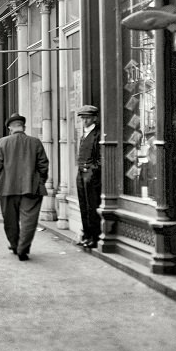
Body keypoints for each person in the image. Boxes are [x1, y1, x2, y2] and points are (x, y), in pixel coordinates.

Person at [0, 113, 49, 261]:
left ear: (10, 128)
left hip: (7, 187)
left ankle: (14, 244)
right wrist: (39, 181)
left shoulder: (3, 142)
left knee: (10, 219)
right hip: (31, 187)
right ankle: (23, 249)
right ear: (23, 127)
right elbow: (43, 166)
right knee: (29, 220)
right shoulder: (35, 142)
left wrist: (2, 182)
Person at [75, 104, 102, 249]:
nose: (85, 121)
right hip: (81, 174)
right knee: (83, 206)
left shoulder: (98, 134)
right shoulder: (83, 134)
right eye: (83, 118)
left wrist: (92, 170)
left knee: (92, 207)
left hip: (91, 176)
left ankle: (94, 237)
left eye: (88, 118)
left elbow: (100, 158)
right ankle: (86, 235)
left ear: (94, 118)